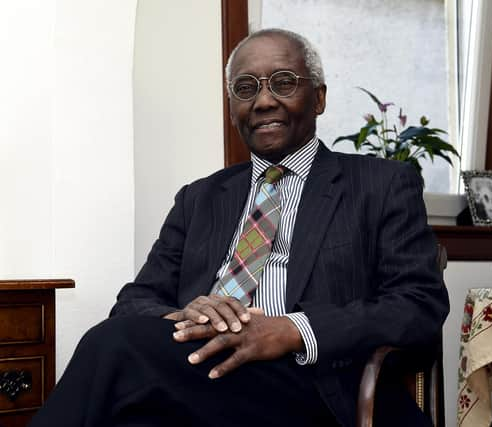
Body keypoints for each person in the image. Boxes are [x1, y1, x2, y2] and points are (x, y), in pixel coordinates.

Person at [29, 28, 449, 427]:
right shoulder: (199, 199)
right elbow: (136, 301)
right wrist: (188, 314)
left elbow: (418, 305)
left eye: (283, 82)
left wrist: (292, 330)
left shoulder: (381, 184)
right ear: (232, 108)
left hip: (315, 387)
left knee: (114, 345)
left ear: (318, 97)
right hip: (202, 376)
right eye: (245, 89)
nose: (263, 101)